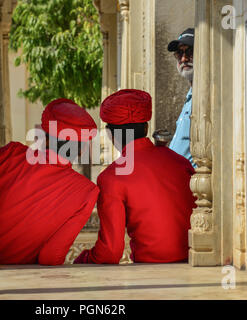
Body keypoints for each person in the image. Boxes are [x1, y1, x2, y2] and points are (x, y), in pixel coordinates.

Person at [74, 89, 196, 264]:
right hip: (196, 264)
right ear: (146, 128)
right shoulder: (181, 162)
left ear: (109, 134)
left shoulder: (112, 178)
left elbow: (110, 252)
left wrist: (82, 259)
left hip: (149, 275)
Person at [0, 98, 99, 265]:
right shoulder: (87, 192)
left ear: (45, 138)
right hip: (15, 280)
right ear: (83, 149)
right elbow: (50, 257)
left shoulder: (11, 154)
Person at [167, 28, 196, 167]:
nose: (184, 59)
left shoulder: (205, 96)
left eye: (189, 52)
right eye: (179, 53)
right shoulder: (191, 96)